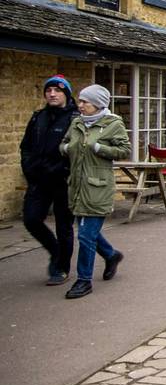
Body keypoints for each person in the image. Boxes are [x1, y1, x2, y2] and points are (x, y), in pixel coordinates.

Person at [58, 84, 130, 299]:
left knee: (85, 235)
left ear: (98, 104)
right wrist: (66, 149)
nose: (80, 105)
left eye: (85, 102)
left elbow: (124, 150)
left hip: (98, 186)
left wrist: (100, 148)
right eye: (80, 101)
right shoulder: (77, 122)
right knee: (88, 232)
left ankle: (84, 280)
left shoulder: (113, 123)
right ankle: (111, 255)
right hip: (77, 185)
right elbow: (64, 143)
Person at [21, 75, 78, 286]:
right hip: (38, 179)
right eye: (48, 90)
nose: (52, 94)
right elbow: (26, 146)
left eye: (57, 90)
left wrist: (64, 170)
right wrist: (28, 168)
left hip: (63, 180)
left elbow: (78, 150)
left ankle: (61, 268)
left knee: (64, 227)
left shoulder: (75, 118)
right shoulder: (38, 117)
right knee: (31, 219)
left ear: (66, 94)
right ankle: (55, 250)